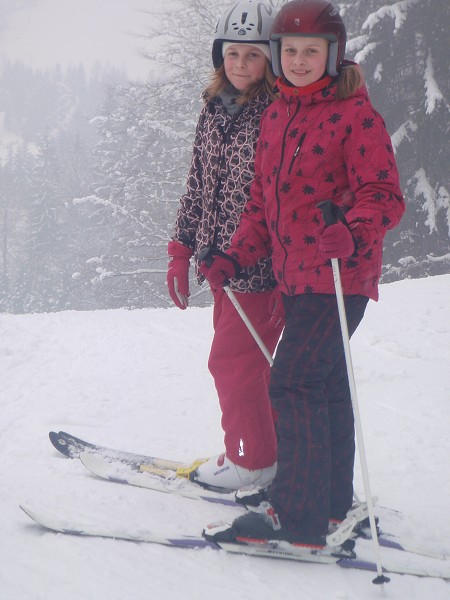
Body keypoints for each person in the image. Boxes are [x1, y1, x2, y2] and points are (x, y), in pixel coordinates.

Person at [201, 0, 405, 549]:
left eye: (310, 52)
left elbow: (384, 196)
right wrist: (234, 255)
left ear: (333, 56)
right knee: (325, 385)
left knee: (291, 380)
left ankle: (297, 516)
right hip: (297, 278)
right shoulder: (276, 116)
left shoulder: (356, 116)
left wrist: (354, 230)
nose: (297, 61)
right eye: (289, 51)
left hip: (340, 275)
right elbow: (259, 207)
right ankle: (333, 506)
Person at [166, 1, 285, 491]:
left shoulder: (276, 113)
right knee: (243, 365)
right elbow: (199, 183)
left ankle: (253, 461)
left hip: (255, 270)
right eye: (232, 54)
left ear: (269, 62)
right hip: (219, 267)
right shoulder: (213, 109)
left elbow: (273, 197)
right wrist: (181, 246)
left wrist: (240, 253)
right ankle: (264, 453)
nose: (240, 65)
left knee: (235, 365)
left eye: (251, 56)